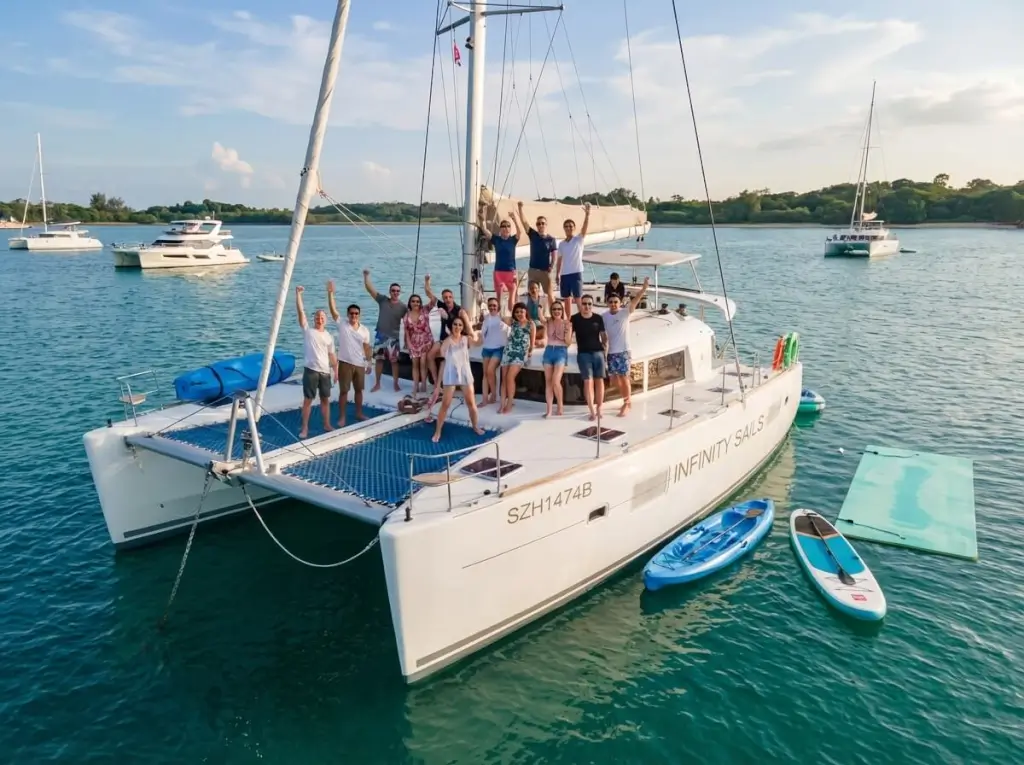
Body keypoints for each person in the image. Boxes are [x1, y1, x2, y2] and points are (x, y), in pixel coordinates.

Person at [432, 316, 486, 443]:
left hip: (465, 374)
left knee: (471, 404)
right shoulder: (447, 342)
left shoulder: (466, 339)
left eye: (460, 325)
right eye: (455, 324)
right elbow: (443, 362)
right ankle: (438, 431)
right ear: (451, 326)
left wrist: (484, 329)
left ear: (463, 327)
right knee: (445, 404)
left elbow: (478, 342)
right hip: (450, 374)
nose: (457, 327)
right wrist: (438, 384)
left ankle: (475, 426)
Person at [326, 280, 372, 428]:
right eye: (351, 313)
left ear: (359, 315)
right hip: (345, 363)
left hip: (359, 364)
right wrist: (330, 293)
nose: (354, 315)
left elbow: (367, 348)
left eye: (356, 313)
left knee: (359, 391)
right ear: (348, 314)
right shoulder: (343, 324)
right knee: (344, 392)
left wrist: (369, 363)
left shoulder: (364, 330)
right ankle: (342, 417)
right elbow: (333, 311)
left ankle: (359, 413)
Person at [294, 285, 337, 439]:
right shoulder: (308, 331)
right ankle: (304, 428)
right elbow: (301, 312)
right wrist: (298, 295)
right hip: (311, 371)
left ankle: (327, 424)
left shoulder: (328, 336)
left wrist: (336, 370)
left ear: (325, 320)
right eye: (317, 317)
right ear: (314, 319)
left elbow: (332, 355)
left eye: (322, 318)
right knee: (308, 400)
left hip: (325, 372)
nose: (319, 319)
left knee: (325, 399)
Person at [604, 276, 649, 417]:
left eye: (616, 302)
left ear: (620, 303)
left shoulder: (625, 313)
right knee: (613, 380)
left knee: (623, 378)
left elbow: (635, 300)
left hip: (623, 351)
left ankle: (627, 402)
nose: (613, 304)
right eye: (611, 302)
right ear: (607, 303)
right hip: (611, 352)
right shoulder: (604, 316)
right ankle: (627, 395)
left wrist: (643, 289)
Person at [423, 274, 471, 396]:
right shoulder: (441, 305)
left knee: (445, 360)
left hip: (455, 340)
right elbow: (429, 293)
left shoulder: (459, 310)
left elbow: (465, 327)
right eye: (445, 298)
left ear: (453, 297)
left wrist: (470, 337)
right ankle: (435, 383)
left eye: (450, 297)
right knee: (430, 356)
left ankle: (447, 384)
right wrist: (427, 281)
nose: (448, 299)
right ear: (443, 299)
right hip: (443, 340)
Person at [363, 269, 407, 393]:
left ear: (400, 293)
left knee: (394, 362)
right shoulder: (382, 300)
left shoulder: (403, 307)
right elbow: (370, 290)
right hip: (381, 336)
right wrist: (366, 277)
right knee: (379, 360)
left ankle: (395, 383)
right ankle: (377, 383)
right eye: (393, 291)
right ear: (390, 292)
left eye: (398, 291)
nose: (395, 293)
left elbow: (412, 320)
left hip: (394, 338)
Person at [569, 294, 607, 421]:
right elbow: (568, 337)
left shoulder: (598, 318)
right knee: (588, 382)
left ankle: (599, 408)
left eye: (589, 304)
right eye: (584, 304)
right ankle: (591, 410)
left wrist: (605, 352)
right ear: (580, 305)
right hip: (584, 354)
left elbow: (604, 337)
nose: (587, 306)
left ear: (592, 305)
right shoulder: (574, 319)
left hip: (598, 353)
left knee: (599, 381)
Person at [540, 279, 572, 417]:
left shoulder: (567, 323)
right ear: (551, 311)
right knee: (548, 382)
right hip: (548, 351)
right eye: (554, 309)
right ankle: (548, 410)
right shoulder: (548, 321)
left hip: (560, 352)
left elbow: (569, 342)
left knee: (555, 381)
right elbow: (540, 317)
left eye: (559, 309)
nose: (557, 311)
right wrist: (541, 306)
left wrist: (566, 334)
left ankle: (560, 406)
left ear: (562, 310)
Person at [499, 296, 536, 414]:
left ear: (526, 312)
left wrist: (529, 352)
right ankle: (502, 404)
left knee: (510, 377)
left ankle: (510, 402)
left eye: (522, 311)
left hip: (520, 354)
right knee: (504, 379)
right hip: (508, 351)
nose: (519, 313)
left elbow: (532, 342)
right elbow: (502, 317)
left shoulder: (531, 324)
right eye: (517, 312)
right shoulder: (513, 323)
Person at [480, 205, 519, 313]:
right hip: (499, 272)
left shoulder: (512, 240)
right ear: (500, 229)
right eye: (503, 226)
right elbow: (485, 230)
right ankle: (497, 316)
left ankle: (513, 317)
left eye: (507, 226)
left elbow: (520, 233)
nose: (505, 228)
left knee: (512, 294)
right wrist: (482, 219)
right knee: (499, 296)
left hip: (511, 271)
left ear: (510, 229)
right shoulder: (496, 239)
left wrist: (515, 219)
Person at [556, 201, 591, 316]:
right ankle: (569, 321)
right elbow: (559, 260)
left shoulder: (578, 240)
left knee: (578, 298)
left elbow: (584, 229)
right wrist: (557, 274)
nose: (568, 228)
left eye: (570, 226)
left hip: (576, 273)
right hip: (565, 274)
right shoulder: (561, 244)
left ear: (574, 228)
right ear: (563, 229)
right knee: (566, 299)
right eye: (566, 226)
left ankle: (583, 318)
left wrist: (587, 215)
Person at [518, 200, 557, 294]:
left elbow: (554, 255)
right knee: (532, 294)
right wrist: (520, 208)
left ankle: (550, 309)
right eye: (539, 223)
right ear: (536, 225)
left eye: (543, 223)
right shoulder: (533, 235)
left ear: (546, 225)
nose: (541, 225)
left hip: (545, 271)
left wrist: (551, 266)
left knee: (549, 294)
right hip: (533, 271)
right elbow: (524, 222)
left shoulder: (551, 239)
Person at [480, 294, 509, 406]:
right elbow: (483, 333)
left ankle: (493, 394)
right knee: (485, 374)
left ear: (498, 307)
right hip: (487, 348)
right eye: (490, 305)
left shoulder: (502, 317)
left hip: (498, 348)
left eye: (494, 305)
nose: (492, 307)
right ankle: (484, 399)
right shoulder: (486, 318)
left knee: (490, 370)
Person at [402, 293, 434, 396]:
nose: (415, 303)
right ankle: (416, 385)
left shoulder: (424, 310)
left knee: (423, 362)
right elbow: (406, 331)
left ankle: (424, 384)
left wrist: (427, 283)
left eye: (417, 301)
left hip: (425, 340)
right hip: (414, 341)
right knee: (415, 364)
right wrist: (408, 343)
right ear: (410, 303)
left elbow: (433, 300)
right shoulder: (406, 316)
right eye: (413, 301)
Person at [524, 280, 548, 347]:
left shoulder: (543, 300)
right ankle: (534, 342)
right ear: (528, 290)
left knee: (545, 328)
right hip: (529, 327)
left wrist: (541, 315)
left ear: (539, 289)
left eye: (535, 288)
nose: (533, 290)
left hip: (540, 327)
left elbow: (545, 320)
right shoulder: (525, 300)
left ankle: (534, 342)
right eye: (531, 288)